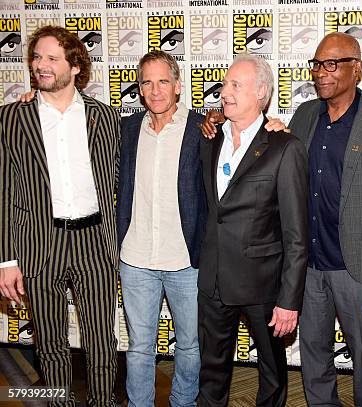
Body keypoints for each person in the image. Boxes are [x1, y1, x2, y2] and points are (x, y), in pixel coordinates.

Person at [200, 32, 362, 407]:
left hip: (356, 269)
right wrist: (229, 120)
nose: (320, 73)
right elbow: (274, 157)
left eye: (332, 64)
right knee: (314, 358)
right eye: (316, 64)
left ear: (356, 69)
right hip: (308, 267)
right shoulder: (306, 114)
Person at [0, 25, 120, 406]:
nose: (41, 65)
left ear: (76, 65)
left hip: (94, 241)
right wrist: (6, 259)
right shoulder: (12, 119)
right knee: (50, 343)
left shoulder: (105, 117)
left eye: (52, 58)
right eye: (36, 57)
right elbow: (4, 191)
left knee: (102, 340)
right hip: (39, 243)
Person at [197, 53, 308, 407]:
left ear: (261, 92)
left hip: (264, 283)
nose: (224, 92)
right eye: (225, 84)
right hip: (214, 279)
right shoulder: (210, 137)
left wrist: (289, 301)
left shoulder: (284, 146)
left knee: (272, 375)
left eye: (235, 85)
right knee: (211, 373)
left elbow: (295, 234)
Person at [116, 50, 207, 407]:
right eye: (147, 83)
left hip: (186, 261)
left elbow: (247, 142)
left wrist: (273, 124)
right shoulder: (125, 130)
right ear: (139, 89)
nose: (155, 91)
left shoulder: (203, 130)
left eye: (163, 81)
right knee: (139, 348)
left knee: (189, 344)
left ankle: (183, 403)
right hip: (136, 259)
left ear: (178, 85)